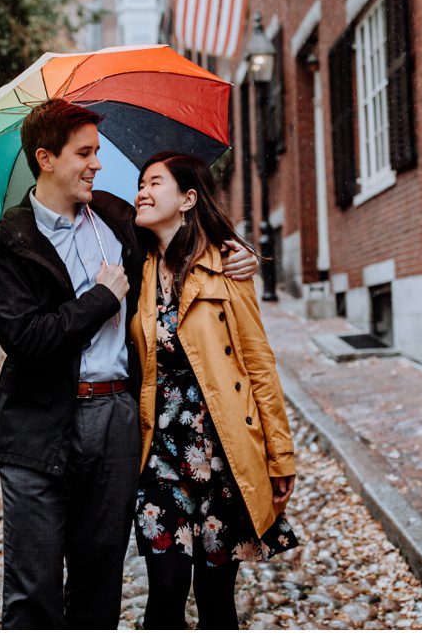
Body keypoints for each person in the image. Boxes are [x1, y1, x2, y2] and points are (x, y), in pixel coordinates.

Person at [0, 101, 258, 629]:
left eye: (97, 152)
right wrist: (100, 300)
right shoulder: (8, 242)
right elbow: (26, 340)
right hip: (37, 426)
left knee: (98, 576)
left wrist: (233, 253)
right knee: (33, 585)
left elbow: (183, 239)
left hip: (115, 420)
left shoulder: (116, 217)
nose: (96, 164)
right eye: (83, 153)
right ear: (45, 158)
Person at [129, 151, 299, 630]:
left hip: (223, 457)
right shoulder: (135, 269)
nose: (142, 191)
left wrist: (279, 454)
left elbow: (259, 365)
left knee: (216, 601)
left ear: (187, 198)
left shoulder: (227, 268)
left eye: (154, 182)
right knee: (163, 595)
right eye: (140, 183)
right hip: (160, 459)